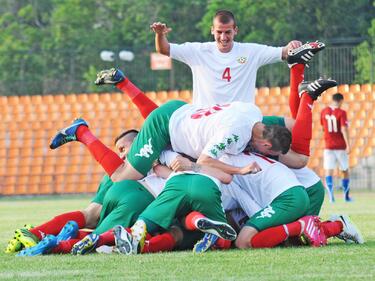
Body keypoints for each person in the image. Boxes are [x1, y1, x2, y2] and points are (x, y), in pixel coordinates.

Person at [5, 130, 138, 254]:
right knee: (94, 221)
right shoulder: (122, 172)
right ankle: (37, 235)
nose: (121, 155)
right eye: (119, 150)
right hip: (121, 186)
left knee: (98, 226)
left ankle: (43, 236)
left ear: (138, 142)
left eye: (123, 149)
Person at [150, 10, 305, 107]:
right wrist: (159, 35)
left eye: (228, 32)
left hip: (239, 121)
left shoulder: (250, 51)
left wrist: (292, 45)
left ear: (235, 31)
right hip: (206, 121)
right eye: (219, 32)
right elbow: (164, 49)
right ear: (212, 30)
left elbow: (284, 52)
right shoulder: (198, 50)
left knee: (287, 128)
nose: (223, 37)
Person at [320, 93, 352, 202]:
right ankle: (346, 196)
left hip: (328, 146)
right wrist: (348, 144)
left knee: (329, 170)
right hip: (340, 146)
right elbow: (344, 129)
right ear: (341, 101)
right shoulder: (342, 112)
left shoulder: (323, 112)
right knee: (345, 169)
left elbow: (323, 128)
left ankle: (331, 197)